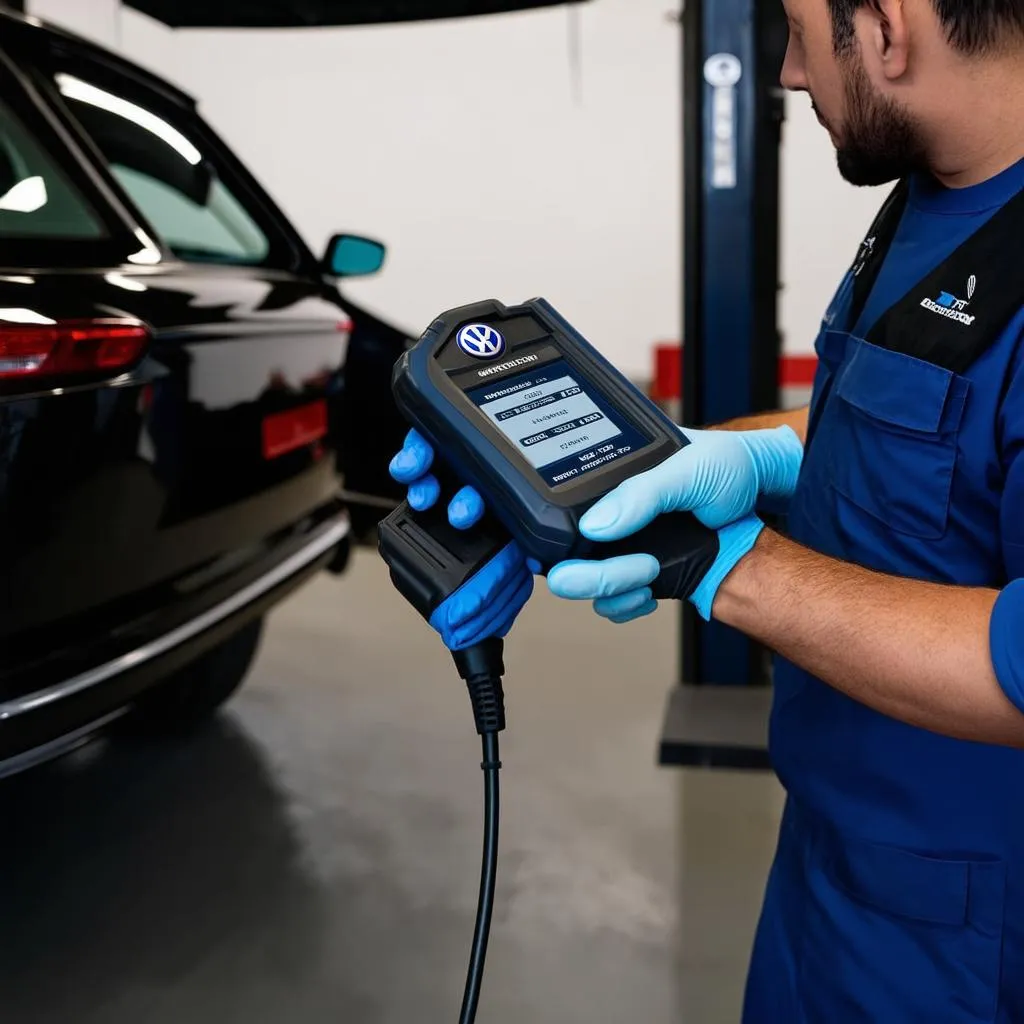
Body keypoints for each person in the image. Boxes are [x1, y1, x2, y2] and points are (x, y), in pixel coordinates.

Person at [390, 0, 1024, 1017]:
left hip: (975, 937)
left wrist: (726, 566)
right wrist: (713, 455)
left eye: (799, 30)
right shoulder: (937, 191)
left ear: (888, 27)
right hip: (829, 865)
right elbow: (912, 422)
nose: (784, 74)